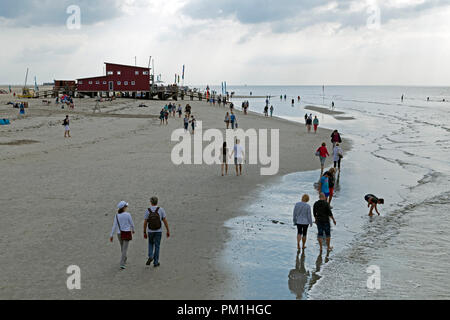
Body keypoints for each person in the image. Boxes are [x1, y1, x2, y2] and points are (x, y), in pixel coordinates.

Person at [144, 197, 170, 268]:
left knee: (150, 243)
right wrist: (168, 230)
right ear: (157, 202)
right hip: (158, 231)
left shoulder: (148, 210)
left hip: (150, 231)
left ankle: (150, 256)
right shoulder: (161, 210)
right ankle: (156, 262)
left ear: (151, 202)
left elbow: (145, 222)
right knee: (157, 246)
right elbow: (164, 220)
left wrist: (144, 232)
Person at [110, 201, 135, 270]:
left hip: (119, 233)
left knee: (122, 247)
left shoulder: (117, 215)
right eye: (126, 206)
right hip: (126, 233)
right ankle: (122, 263)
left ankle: (124, 258)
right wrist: (133, 229)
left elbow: (114, 226)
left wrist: (111, 235)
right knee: (124, 249)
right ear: (124, 207)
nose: (127, 207)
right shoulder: (128, 214)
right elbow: (131, 223)